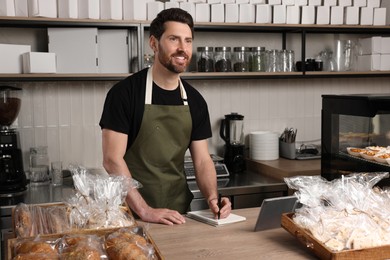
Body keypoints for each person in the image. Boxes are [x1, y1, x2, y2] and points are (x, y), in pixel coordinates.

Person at [99, 8, 231, 225]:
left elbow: (202, 160)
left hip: (178, 215)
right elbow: (111, 160)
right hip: (130, 216)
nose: (183, 48)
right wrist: (145, 210)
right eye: (173, 39)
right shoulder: (125, 94)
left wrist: (212, 198)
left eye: (188, 41)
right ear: (153, 43)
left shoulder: (195, 100)